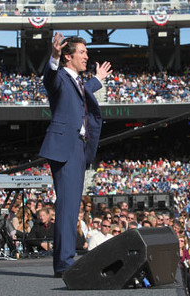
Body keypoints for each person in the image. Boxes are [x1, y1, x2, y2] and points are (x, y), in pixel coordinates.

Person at [38, 33, 112, 277]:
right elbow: (50, 78)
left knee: (72, 207)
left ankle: (65, 260)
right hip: (65, 147)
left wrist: (98, 79)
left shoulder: (78, 82)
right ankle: (64, 263)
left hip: (79, 148)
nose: (87, 56)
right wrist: (54, 57)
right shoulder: (59, 76)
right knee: (68, 207)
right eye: (82, 52)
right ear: (68, 56)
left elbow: (82, 93)